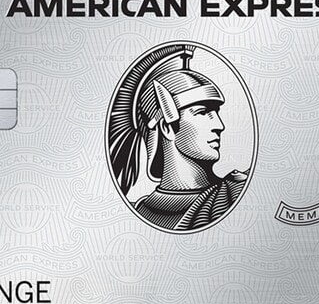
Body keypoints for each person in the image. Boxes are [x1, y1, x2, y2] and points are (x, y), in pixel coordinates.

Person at [107, 44, 251, 231]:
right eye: (203, 112)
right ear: (167, 127)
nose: (219, 125)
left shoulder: (235, 193)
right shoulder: (137, 212)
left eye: (216, 112)